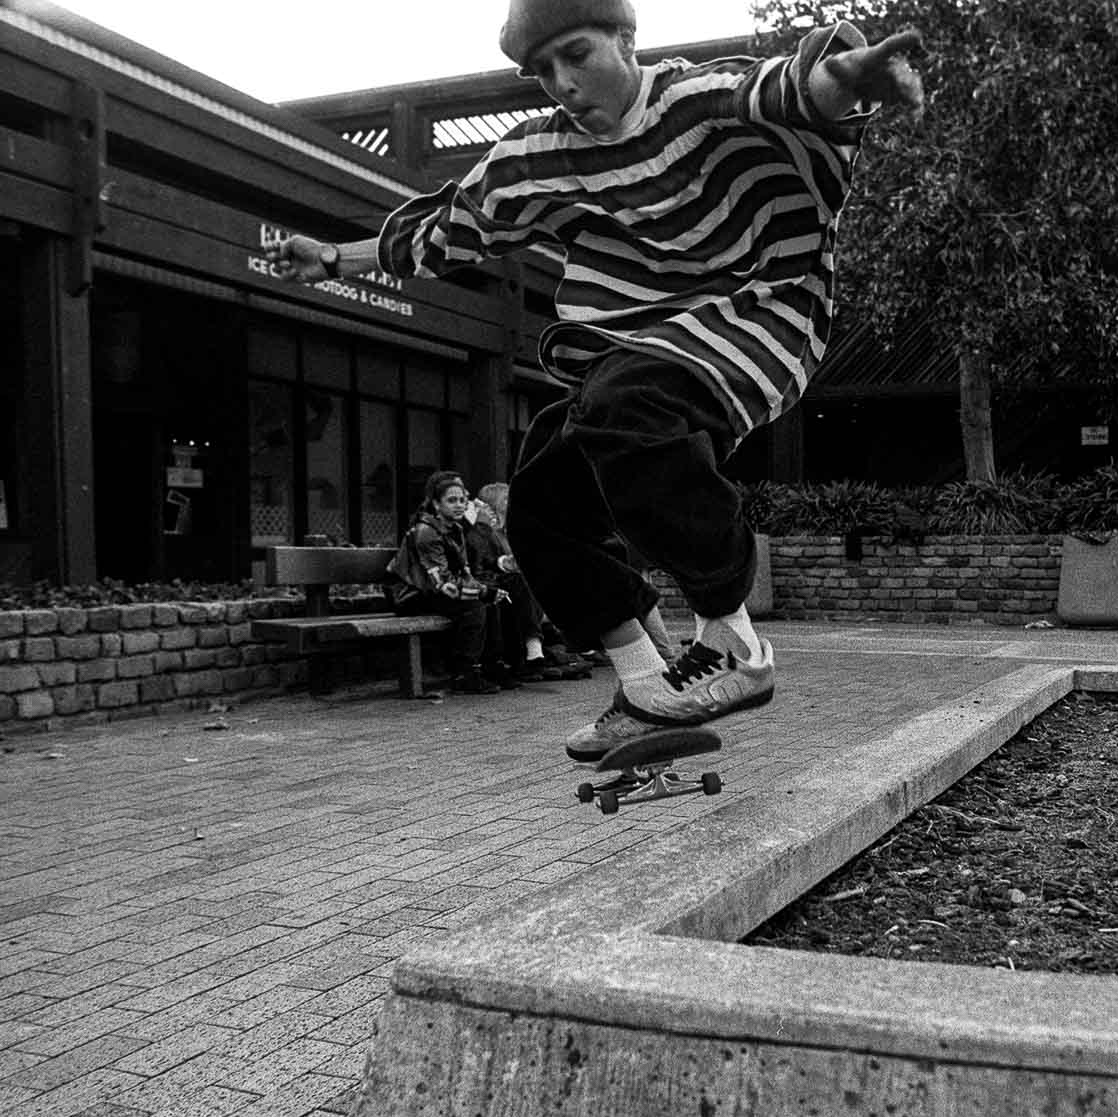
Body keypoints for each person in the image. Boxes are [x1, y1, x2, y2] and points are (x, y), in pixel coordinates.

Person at [264, 2, 927, 759]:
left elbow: (784, 89)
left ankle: (734, 642)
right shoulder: (535, 155)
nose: (564, 84)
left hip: (756, 312)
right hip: (629, 338)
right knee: (540, 503)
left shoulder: (688, 95)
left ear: (625, 40)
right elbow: (454, 227)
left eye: (577, 56)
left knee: (623, 403)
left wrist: (844, 78)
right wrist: (333, 260)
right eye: (544, 71)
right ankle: (648, 686)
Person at [385, 471, 513, 694]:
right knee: (474, 607)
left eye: (462, 500)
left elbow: (465, 573)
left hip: (433, 592)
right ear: (436, 503)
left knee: (492, 601)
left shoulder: (456, 529)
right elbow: (443, 584)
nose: (459, 505)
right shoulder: (426, 531)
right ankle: (464, 673)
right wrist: (482, 593)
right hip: (411, 595)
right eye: (451, 500)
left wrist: (487, 590)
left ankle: (491, 666)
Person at [473, 482, 593, 681]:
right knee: (523, 587)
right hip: (503, 589)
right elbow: (485, 564)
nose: (511, 503)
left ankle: (558, 651)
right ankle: (538, 650)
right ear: (492, 505)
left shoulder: (511, 530)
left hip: (521, 592)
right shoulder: (486, 532)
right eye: (505, 499)